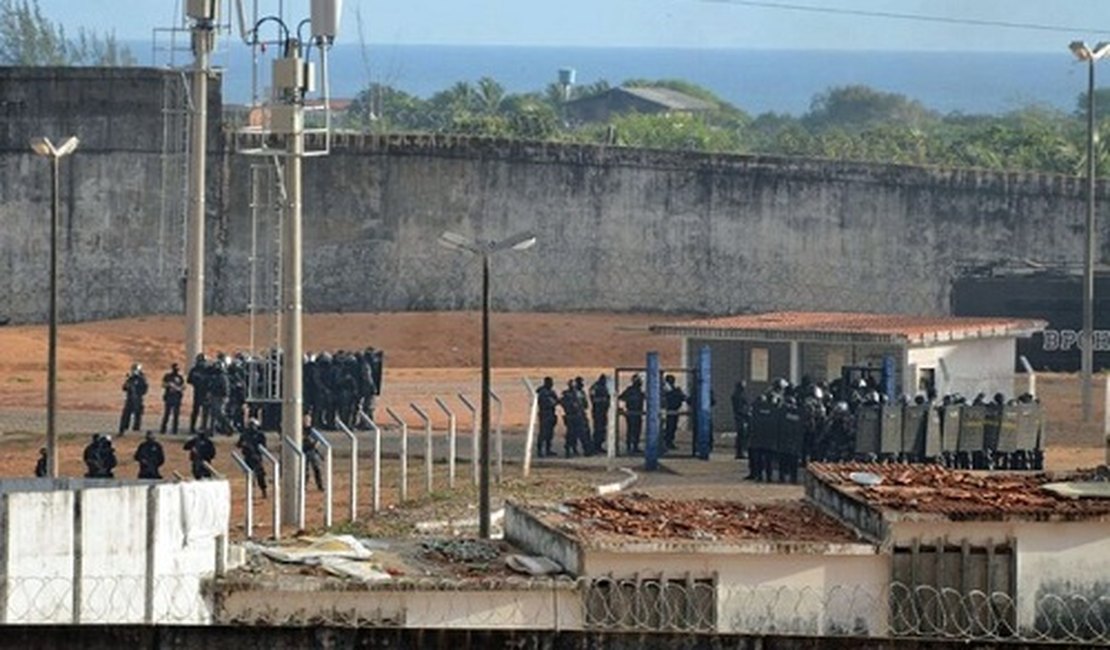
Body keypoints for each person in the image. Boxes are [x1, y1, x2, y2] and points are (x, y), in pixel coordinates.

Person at [237, 418, 268, 498]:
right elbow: (238, 444)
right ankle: (251, 492)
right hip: (248, 457)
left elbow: (264, 446)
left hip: (257, 457)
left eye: (253, 425)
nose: (251, 427)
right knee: (249, 476)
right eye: (250, 425)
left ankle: (264, 491)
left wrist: (257, 450)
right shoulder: (245, 434)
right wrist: (243, 444)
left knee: (260, 475)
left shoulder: (260, 435)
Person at [118, 363, 149, 435]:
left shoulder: (142, 379)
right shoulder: (130, 378)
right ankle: (123, 429)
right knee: (125, 415)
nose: (133, 371)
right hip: (129, 399)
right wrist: (128, 386)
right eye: (133, 369)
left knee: (138, 415)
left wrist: (137, 391)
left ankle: (136, 429)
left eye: (135, 369)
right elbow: (124, 388)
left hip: (138, 399)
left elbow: (144, 390)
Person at [618, 375, 645, 454]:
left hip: (637, 413)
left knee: (635, 430)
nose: (640, 383)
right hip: (631, 413)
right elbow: (620, 397)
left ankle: (634, 446)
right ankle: (630, 446)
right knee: (631, 430)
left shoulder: (638, 391)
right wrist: (622, 408)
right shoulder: (630, 390)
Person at [536, 377, 559, 458]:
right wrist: (553, 402)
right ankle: (540, 451)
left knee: (550, 433)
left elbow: (556, 401)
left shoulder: (551, 392)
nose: (551, 385)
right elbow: (547, 403)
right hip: (544, 413)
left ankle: (548, 450)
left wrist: (554, 402)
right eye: (550, 383)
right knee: (543, 433)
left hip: (551, 413)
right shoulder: (542, 392)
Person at [662, 374, 686, 452]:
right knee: (669, 427)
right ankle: (667, 442)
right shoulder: (666, 390)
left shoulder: (675, 390)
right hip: (668, 410)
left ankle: (669, 442)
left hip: (674, 410)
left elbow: (682, 397)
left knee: (672, 427)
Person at [160, 363, 185, 435]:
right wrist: (169, 385)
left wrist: (177, 388)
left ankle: (175, 429)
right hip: (169, 397)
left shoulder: (180, 377)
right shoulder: (168, 376)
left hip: (177, 397)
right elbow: (163, 384)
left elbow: (183, 387)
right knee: (166, 414)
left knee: (176, 415)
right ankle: (163, 429)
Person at [589, 374, 611, 454]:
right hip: (597, 411)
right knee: (598, 428)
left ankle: (599, 445)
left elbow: (608, 397)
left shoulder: (604, 387)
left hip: (603, 411)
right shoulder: (596, 387)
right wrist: (602, 400)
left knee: (602, 429)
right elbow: (592, 398)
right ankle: (595, 446)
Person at [187, 354, 209, 434]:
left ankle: (203, 427)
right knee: (196, 411)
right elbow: (189, 380)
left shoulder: (208, 370)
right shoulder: (194, 370)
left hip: (206, 393)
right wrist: (196, 381)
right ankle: (192, 427)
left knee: (205, 412)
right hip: (197, 393)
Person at [302, 415, 325, 491]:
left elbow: (319, 440)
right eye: (304, 420)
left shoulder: (312, 430)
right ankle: (304, 486)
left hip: (311, 451)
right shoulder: (299, 430)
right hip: (303, 452)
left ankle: (320, 485)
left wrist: (315, 445)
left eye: (307, 420)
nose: (306, 422)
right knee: (304, 470)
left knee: (316, 469)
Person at [731, 381, 751, 459]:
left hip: (740, 417)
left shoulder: (736, 395)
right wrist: (747, 413)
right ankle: (741, 452)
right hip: (741, 417)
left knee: (741, 435)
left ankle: (739, 452)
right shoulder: (738, 396)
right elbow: (741, 408)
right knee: (742, 435)